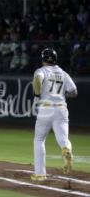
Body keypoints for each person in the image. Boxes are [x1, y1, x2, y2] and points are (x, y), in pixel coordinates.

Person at [31, 48, 77, 181]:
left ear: (43, 59)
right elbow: (74, 92)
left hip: (46, 108)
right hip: (61, 109)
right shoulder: (63, 73)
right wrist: (61, 95)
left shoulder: (41, 71)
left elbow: (38, 80)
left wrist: (37, 95)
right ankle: (66, 149)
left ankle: (40, 174)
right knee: (63, 138)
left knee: (39, 140)